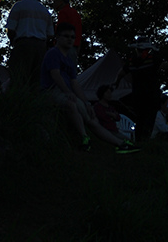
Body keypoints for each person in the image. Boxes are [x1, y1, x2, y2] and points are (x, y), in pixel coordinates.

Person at [41, 23, 139, 154]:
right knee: (71, 104)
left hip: (68, 93)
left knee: (91, 117)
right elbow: (55, 75)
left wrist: (87, 103)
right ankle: (84, 137)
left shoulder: (69, 59)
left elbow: (75, 82)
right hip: (52, 91)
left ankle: (120, 144)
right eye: (66, 36)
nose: (70, 39)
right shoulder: (53, 54)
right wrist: (68, 92)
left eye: (72, 37)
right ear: (57, 37)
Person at [115, 39, 168, 141]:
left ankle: (140, 141)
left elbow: (121, 73)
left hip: (139, 96)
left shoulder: (132, 61)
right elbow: (166, 65)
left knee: (141, 119)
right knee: (147, 119)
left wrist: (116, 82)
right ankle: (143, 141)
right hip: (150, 96)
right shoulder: (151, 59)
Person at [7, 0, 54, 88]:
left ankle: (18, 102)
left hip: (23, 44)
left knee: (18, 78)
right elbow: (51, 34)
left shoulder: (18, 6)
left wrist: (13, 43)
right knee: (36, 80)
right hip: (41, 47)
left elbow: (11, 29)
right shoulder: (44, 10)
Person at [52, 0, 83, 64]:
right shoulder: (75, 13)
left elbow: (60, 31)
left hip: (64, 48)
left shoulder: (63, 13)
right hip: (74, 48)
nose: (54, 2)